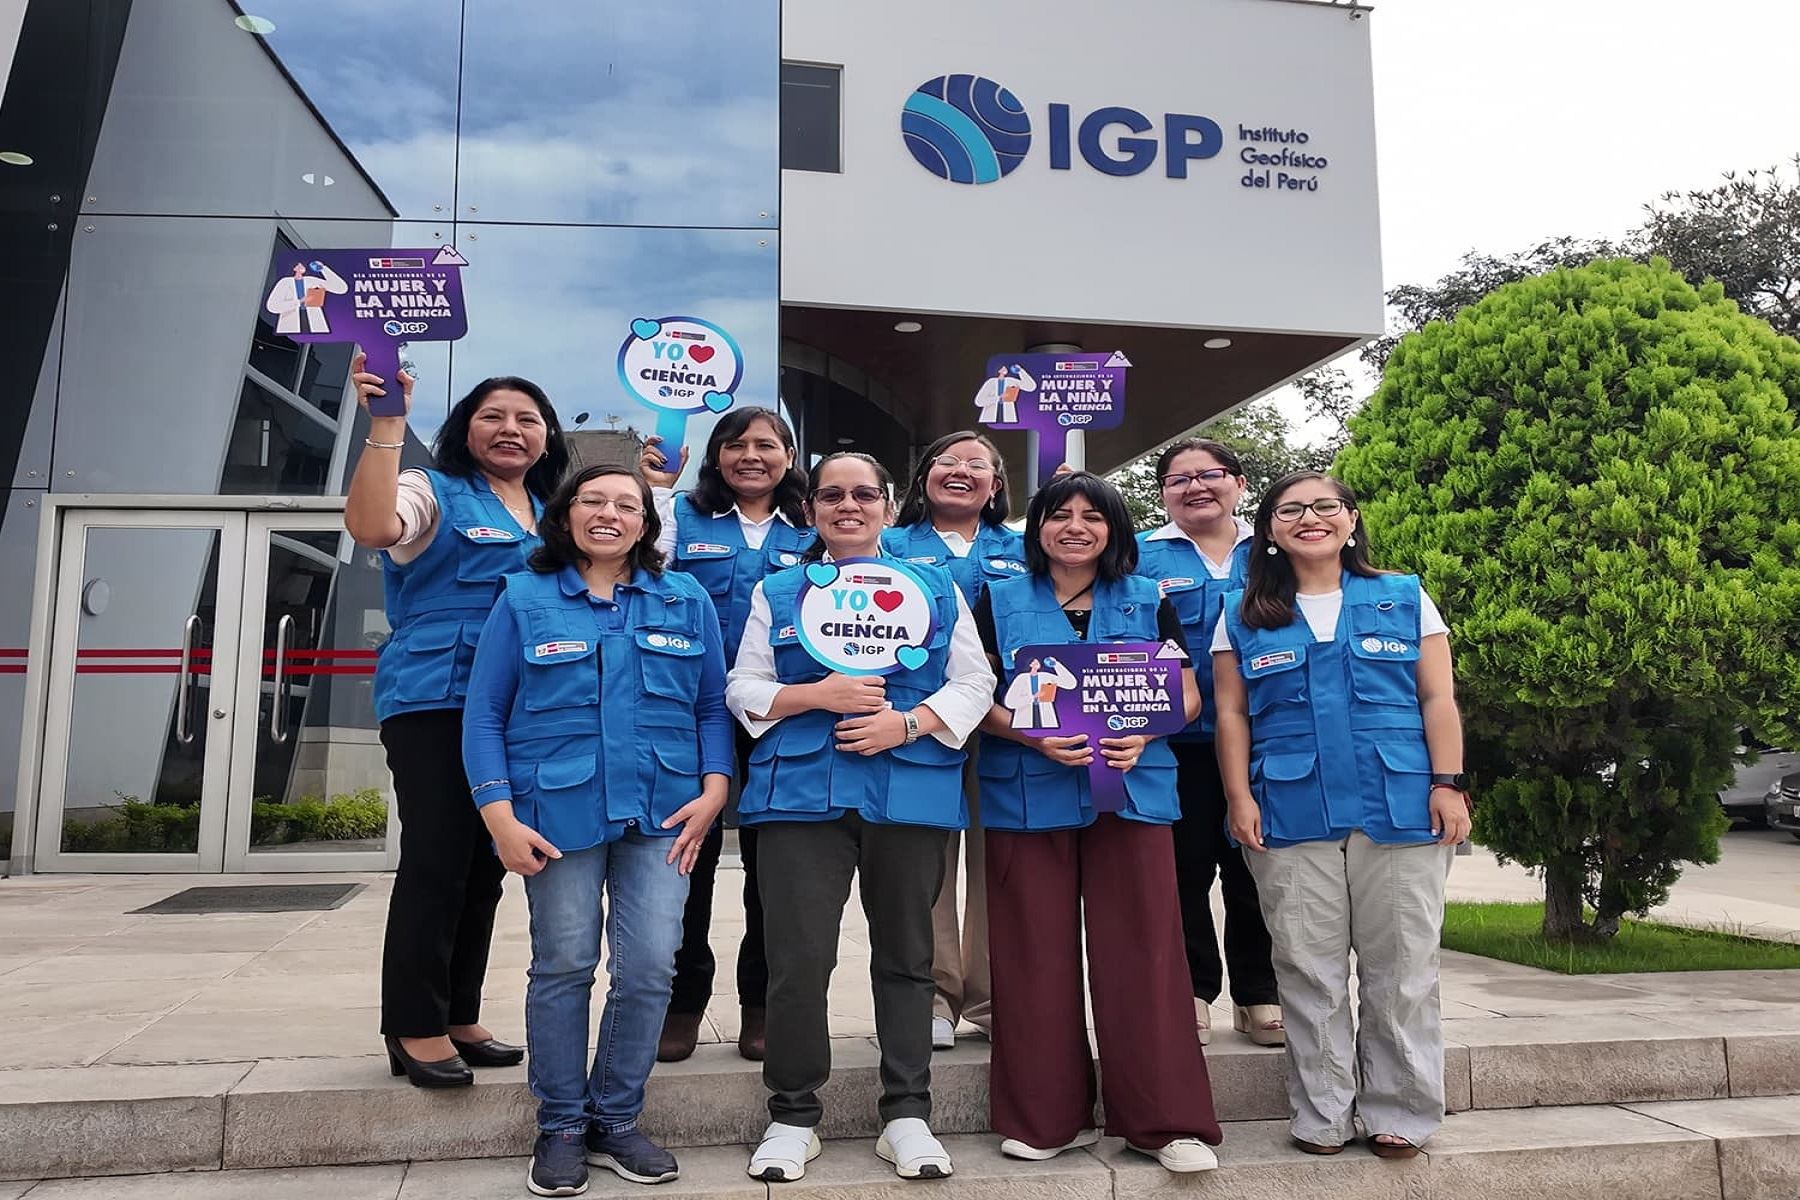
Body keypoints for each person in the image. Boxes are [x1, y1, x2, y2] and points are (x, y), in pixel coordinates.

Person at [462, 465, 733, 1196]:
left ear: (646, 522)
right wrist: (498, 814)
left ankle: (615, 1118)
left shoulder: (686, 598)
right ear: (566, 514)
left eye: (626, 504)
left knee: (649, 967)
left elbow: (712, 705)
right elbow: (484, 712)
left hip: (665, 812)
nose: (609, 513)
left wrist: (716, 787)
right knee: (564, 966)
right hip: (555, 816)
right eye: (593, 501)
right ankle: (558, 1124)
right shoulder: (523, 597)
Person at [726, 452, 996, 1183]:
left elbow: (975, 682)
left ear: (887, 505)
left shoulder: (934, 587)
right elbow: (743, 685)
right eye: (832, 494)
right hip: (799, 797)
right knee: (798, 958)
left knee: (908, 957)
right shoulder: (778, 590)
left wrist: (904, 725)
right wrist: (818, 696)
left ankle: (906, 1112)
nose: (849, 505)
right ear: (811, 508)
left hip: (907, 791)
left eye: (864, 494)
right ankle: (791, 1114)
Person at [1211, 471, 1472, 1159]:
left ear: (1351, 520)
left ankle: (1402, 1110)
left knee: (1403, 966)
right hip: (1289, 809)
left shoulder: (1403, 596)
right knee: (1306, 967)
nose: (1309, 518)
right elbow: (1231, 713)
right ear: (1268, 531)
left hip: (1402, 803)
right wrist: (1239, 798)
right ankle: (1322, 1112)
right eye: (1290, 510)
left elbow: (1438, 700)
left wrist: (1449, 782)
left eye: (1325, 506)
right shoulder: (1243, 612)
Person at [973, 471, 1222, 1173]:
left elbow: (1187, 694)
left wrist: (1147, 730)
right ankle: (1047, 1118)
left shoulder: (1149, 599)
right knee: (1031, 955)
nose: (1075, 527)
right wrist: (1027, 734)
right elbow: (971, 694)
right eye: (1060, 515)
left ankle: (1164, 1122)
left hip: (1134, 795)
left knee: (1145, 952)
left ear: (1115, 529)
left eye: (1093, 516)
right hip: (1027, 796)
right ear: (1038, 526)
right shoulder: (996, 599)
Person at [344, 356, 568, 1089]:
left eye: (527, 419)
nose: (511, 430)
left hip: (520, 710)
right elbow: (374, 525)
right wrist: (387, 425)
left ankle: (459, 1012)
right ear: (465, 430)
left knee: (483, 869)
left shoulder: (552, 512)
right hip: (436, 701)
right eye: (493, 417)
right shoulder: (430, 491)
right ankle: (412, 1022)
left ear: (548, 438)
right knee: (437, 861)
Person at [638, 407, 814, 1063]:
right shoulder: (685, 516)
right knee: (690, 862)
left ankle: (762, 1008)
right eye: (735, 444)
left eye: (766, 444)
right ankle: (680, 1006)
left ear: (789, 456)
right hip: (692, 714)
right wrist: (656, 490)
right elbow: (645, 570)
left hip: (782, 716)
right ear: (715, 457)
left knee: (776, 873)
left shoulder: (811, 525)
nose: (750, 455)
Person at [1133, 439, 1282, 1047]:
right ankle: (1192, 990)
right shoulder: (1140, 556)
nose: (1196, 487)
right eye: (1178, 479)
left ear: (1239, 483)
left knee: (1258, 865)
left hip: (1269, 739)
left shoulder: (1275, 552)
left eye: (1210, 475)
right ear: (1164, 491)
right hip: (1179, 741)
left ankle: (1260, 994)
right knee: (1182, 868)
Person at [883, 431, 1027, 1050]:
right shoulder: (888, 546)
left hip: (1005, 729)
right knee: (928, 866)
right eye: (948, 460)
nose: (962, 471)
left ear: (996, 485)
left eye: (979, 465)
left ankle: (994, 995)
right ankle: (936, 995)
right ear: (923, 477)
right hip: (920, 724)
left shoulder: (1025, 549)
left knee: (999, 861)